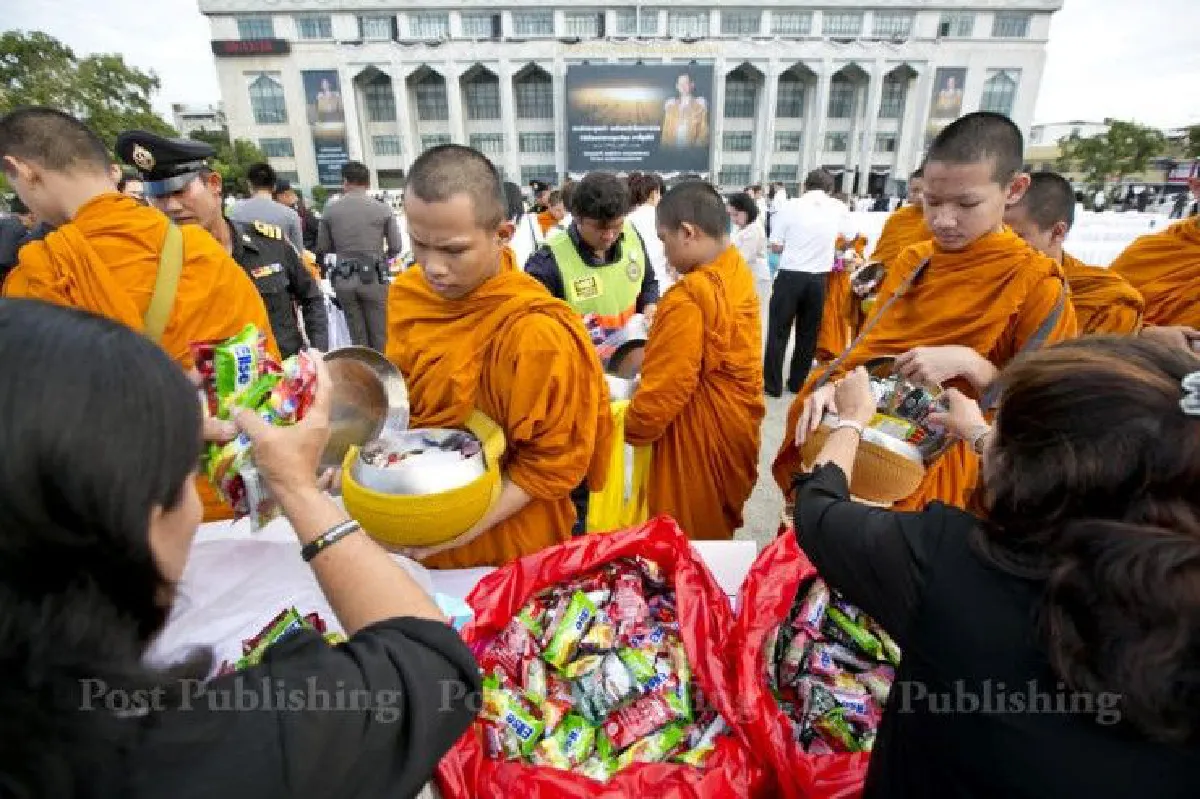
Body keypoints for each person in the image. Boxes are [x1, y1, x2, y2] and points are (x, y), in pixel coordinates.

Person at [0, 299, 480, 798]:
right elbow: (432, 664)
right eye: (185, 474)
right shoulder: (202, 753)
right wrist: (296, 488)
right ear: (139, 524)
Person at [792, 336, 1200, 797]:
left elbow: (817, 507)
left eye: (1000, 427)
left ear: (1026, 468)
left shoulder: (958, 563)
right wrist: (977, 434)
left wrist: (851, 419)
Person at [778, 112, 1078, 512]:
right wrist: (835, 384)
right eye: (931, 202)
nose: (943, 220)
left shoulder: (1038, 284)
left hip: (949, 467)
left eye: (966, 203)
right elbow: (873, 355)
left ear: (1014, 189)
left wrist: (972, 364)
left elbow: (1048, 411)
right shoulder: (914, 261)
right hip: (866, 446)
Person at [0, 108, 276, 522]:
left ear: (22, 170)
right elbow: (264, 370)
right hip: (227, 497)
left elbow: (36, 433)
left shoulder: (40, 277)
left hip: (119, 518)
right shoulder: (203, 254)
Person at [386, 145, 612, 568]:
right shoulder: (410, 295)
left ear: (503, 235)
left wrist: (457, 531)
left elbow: (548, 465)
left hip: (507, 541)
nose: (433, 267)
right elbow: (401, 401)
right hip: (416, 517)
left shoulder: (534, 332)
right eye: (420, 244)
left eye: (453, 251)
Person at [625, 182, 764, 539]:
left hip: (698, 448)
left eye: (663, 239)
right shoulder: (735, 270)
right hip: (733, 434)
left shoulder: (689, 298)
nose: (664, 251)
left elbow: (663, 393)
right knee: (711, 538)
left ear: (687, 233)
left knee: (687, 545)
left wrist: (630, 429)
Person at [117, 131, 328, 358]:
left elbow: (311, 297)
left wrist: (316, 355)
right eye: (158, 197)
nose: (171, 207)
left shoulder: (269, 243)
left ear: (214, 184)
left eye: (180, 191)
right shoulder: (152, 266)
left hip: (284, 383)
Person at [524, 171, 660, 357]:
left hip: (629, 364)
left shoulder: (631, 236)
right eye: (600, 228)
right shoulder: (547, 263)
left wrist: (650, 305)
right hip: (580, 372)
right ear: (577, 218)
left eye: (616, 226)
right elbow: (535, 333)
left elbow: (648, 282)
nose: (609, 236)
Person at [1005, 171, 1144, 336]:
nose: (1002, 243)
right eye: (997, 233)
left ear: (1058, 232)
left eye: (1016, 236)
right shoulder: (982, 272)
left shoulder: (1106, 303)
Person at [763, 168, 853, 397]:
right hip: (817, 279)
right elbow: (851, 236)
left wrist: (795, 245)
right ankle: (796, 384)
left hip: (790, 276)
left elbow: (775, 244)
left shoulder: (789, 206)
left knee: (778, 332)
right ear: (830, 189)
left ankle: (772, 386)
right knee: (807, 333)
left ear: (805, 186)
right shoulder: (837, 207)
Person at [317, 161, 402, 351]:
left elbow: (323, 247)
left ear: (345, 182)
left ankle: (363, 375)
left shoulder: (330, 210)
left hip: (344, 279)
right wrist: (382, 258)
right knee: (381, 335)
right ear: (368, 183)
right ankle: (383, 377)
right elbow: (396, 246)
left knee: (357, 337)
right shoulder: (382, 209)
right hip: (374, 277)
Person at [1109, 177, 1200, 339]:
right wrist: (1144, 333)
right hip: (1127, 358)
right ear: (1196, 186)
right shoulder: (1148, 251)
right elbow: (1095, 313)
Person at [814, 232, 868, 364]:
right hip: (825, 281)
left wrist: (855, 262)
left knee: (839, 318)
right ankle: (822, 352)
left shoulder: (858, 237)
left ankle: (835, 352)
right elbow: (818, 259)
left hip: (843, 285)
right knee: (825, 319)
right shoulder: (826, 234)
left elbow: (861, 262)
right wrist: (839, 262)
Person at [230, 163, 305, 253]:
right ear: (274, 187)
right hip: (281, 265)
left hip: (245, 266)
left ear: (249, 184)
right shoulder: (290, 215)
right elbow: (298, 254)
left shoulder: (235, 211)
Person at [869, 167, 931, 274]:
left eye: (925, 191)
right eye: (915, 190)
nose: (920, 196)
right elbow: (883, 253)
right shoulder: (898, 217)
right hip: (892, 276)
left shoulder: (941, 220)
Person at [627, 172, 672, 293]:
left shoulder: (627, 220)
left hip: (636, 287)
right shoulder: (666, 218)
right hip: (663, 285)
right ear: (654, 193)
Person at [727, 190, 770, 301]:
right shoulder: (740, 226)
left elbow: (742, 258)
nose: (733, 219)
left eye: (736, 214)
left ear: (747, 210)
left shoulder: (754, 229)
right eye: (730, 215)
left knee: (756, 312)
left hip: (756, 277)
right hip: (744, 275)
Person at [661, 73, 708, 149]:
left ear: (692, 85)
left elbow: (703, 132)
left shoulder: (699, 105)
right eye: (680, 84)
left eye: (685, 83)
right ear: (677, 86)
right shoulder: (670, 106)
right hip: (672, 153)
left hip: (691, 153)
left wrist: (695, 152)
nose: (683, 86)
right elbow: (665, 134)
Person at [275, 180, 321, 252]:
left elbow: (319, 232)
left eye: (290, 193)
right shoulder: (276, 212)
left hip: (306, 254)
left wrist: (313, 252)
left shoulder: (302, 211)